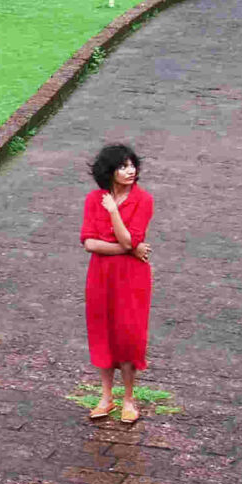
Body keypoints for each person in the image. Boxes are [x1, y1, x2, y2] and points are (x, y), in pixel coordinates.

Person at [80, 142, 153, 423]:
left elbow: (129, 239)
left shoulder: (143, 200)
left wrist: (113, 213)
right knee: (103, 332)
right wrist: (130, 247)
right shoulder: (92, 199)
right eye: (123, 166)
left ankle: (129, 399)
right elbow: (89, 242)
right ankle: (107, 396)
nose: (130, 170)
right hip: (100, 276)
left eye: (132, 165)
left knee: (128, 335)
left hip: (131, 277)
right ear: (109, 171)